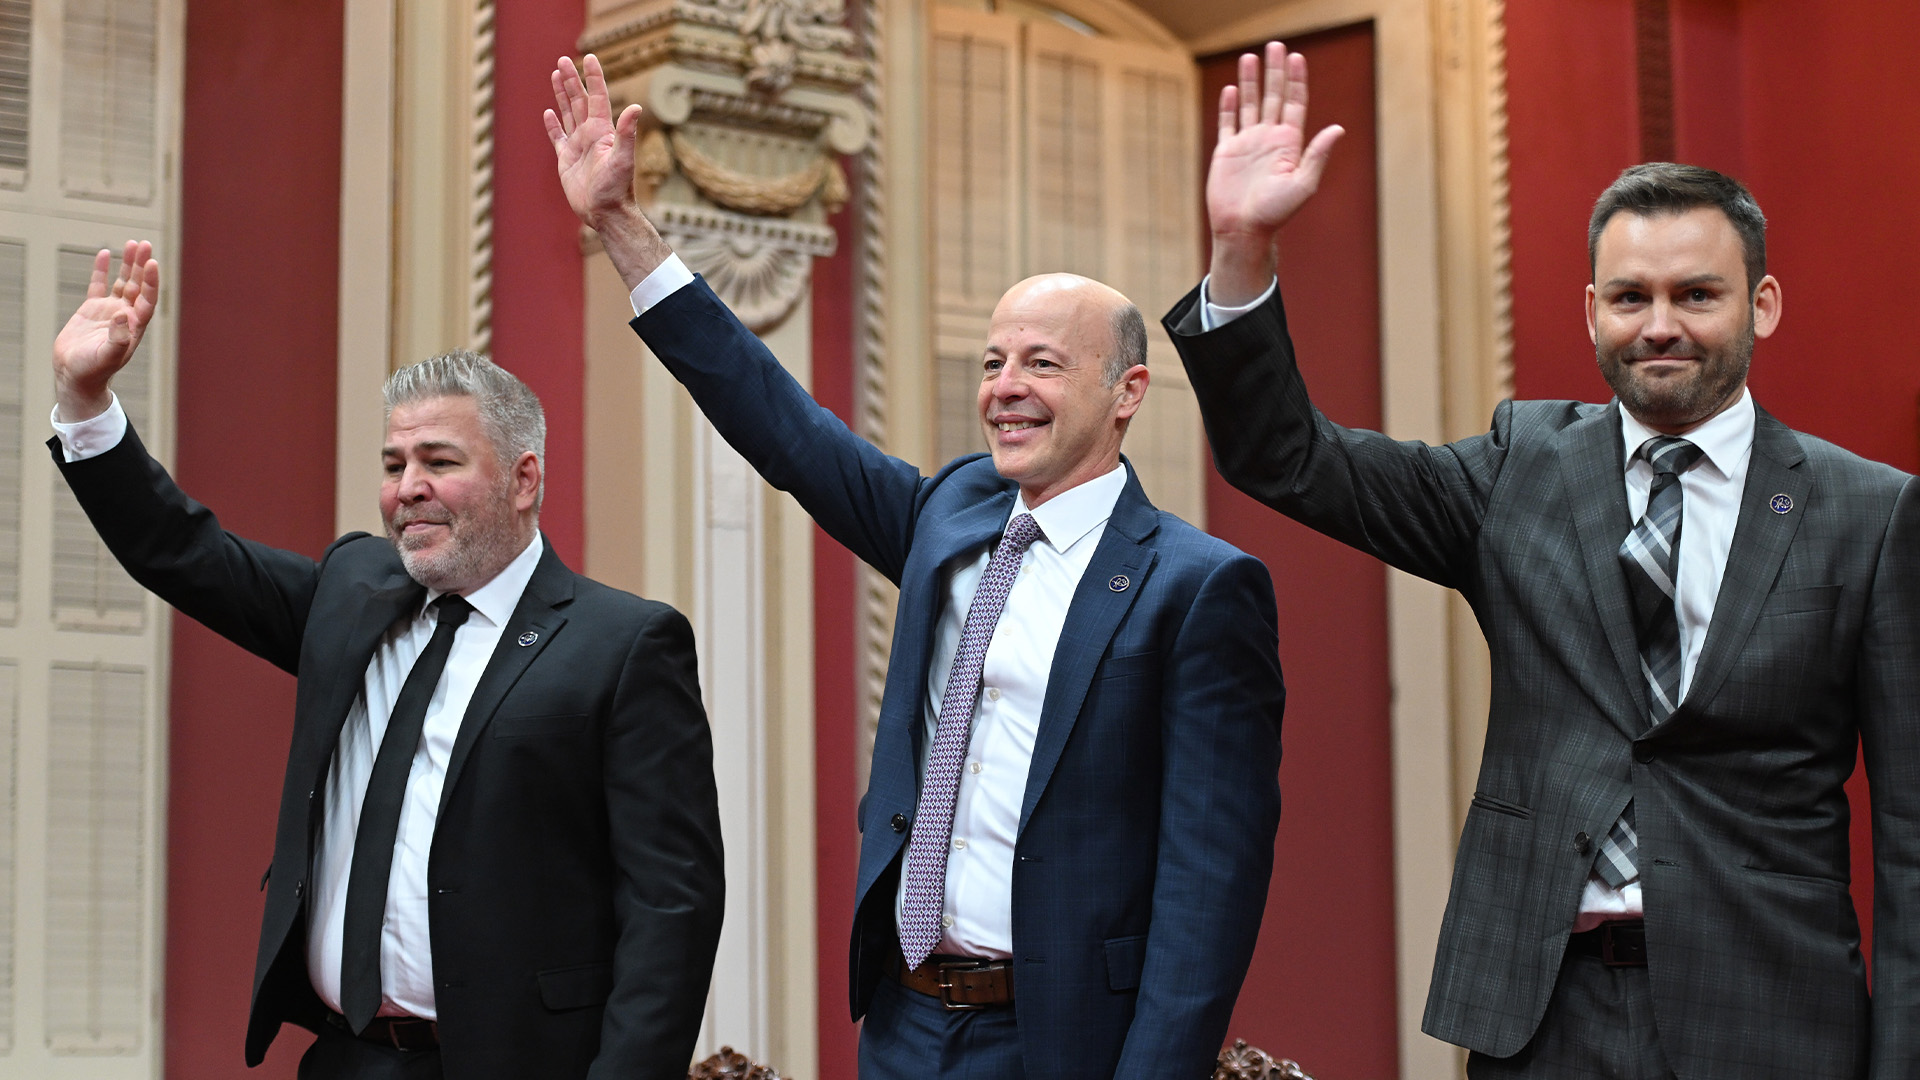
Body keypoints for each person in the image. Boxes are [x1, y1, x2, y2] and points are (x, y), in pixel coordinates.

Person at [1166, 41, 1920, 1080]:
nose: (1661, 326)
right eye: (1630, 297)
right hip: (1542, 1018)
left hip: (1774, 1017)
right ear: (1591, 311)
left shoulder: (1868, 513)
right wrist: (1243, 248)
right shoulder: (1518, 469)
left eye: (1698, 295)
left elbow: (1914, 835)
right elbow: (1289, 459)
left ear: (1764, 305)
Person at [546, 53, 1284, 1080]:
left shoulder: (1194, 588)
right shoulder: (951, 513)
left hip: (1065, 1043)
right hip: (905, 1026)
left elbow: (1212, 882)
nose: (1006, 389)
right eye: (993, 361)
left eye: (1042, 363)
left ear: (1128, 393)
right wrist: (623, 228)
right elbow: (785, 428)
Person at [48, 242, 725, 1080]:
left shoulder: (621, 644)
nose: (407, 486)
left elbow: (673, 909)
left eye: (440, 462)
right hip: (344, 1059)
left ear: (523, 481)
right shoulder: (352, 591)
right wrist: (86, 399)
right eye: (394, 464)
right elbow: (185, 554)